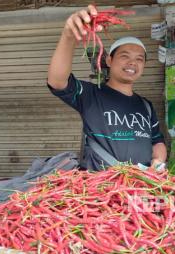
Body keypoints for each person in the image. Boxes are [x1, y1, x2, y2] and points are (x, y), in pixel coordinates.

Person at [47, 5, 167, 171]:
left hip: (140, 188)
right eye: (125, 56)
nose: (132, 63)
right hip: (101, 190)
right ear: (109, 61)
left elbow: (157, 141)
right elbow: (57, 81)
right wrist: (69, 36)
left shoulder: (146, 106)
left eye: (139, 59)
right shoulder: (91, 94)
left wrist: (158, 161)